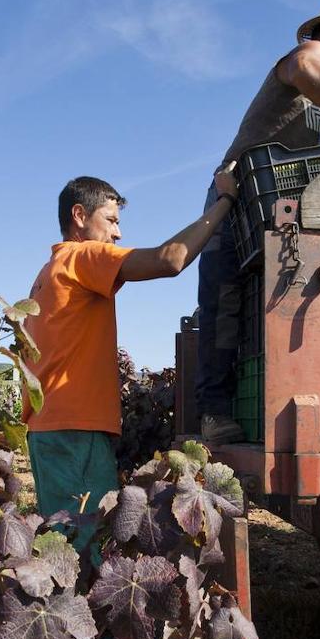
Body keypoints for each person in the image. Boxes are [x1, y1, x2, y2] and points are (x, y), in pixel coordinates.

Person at [196, 0, 320, 444]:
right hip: (236, 195)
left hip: (277, 205)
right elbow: (307, 69)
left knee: (268, 306)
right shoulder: (310, 52)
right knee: (224, 301)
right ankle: (212, 413)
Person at [23, 165, 239, 533]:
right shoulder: (81, 257)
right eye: (110, 220)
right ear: (79, 215)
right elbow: (170, 259)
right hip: (77, 430)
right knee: (86, 544)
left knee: (59, 539)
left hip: (47, 430)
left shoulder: (47, 273)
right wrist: (224, 201)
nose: (118, 232)